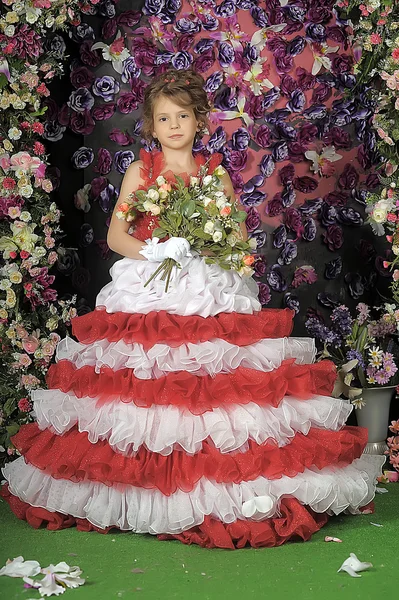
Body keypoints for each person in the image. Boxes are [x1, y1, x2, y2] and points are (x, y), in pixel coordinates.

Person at [1, 69, 385, 549]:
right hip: (152, 280)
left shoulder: (213, 172)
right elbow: (117, 237)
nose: (174, 125)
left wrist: (207, 245)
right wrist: (158, 252)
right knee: (151, 379)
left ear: (198, 120)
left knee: (214, 380)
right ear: (152, 125)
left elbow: (240, 239)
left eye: (183, 115)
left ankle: (218, 487)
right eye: (164, 118)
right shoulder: (141, 171)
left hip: (207, 282)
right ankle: (150, 488)